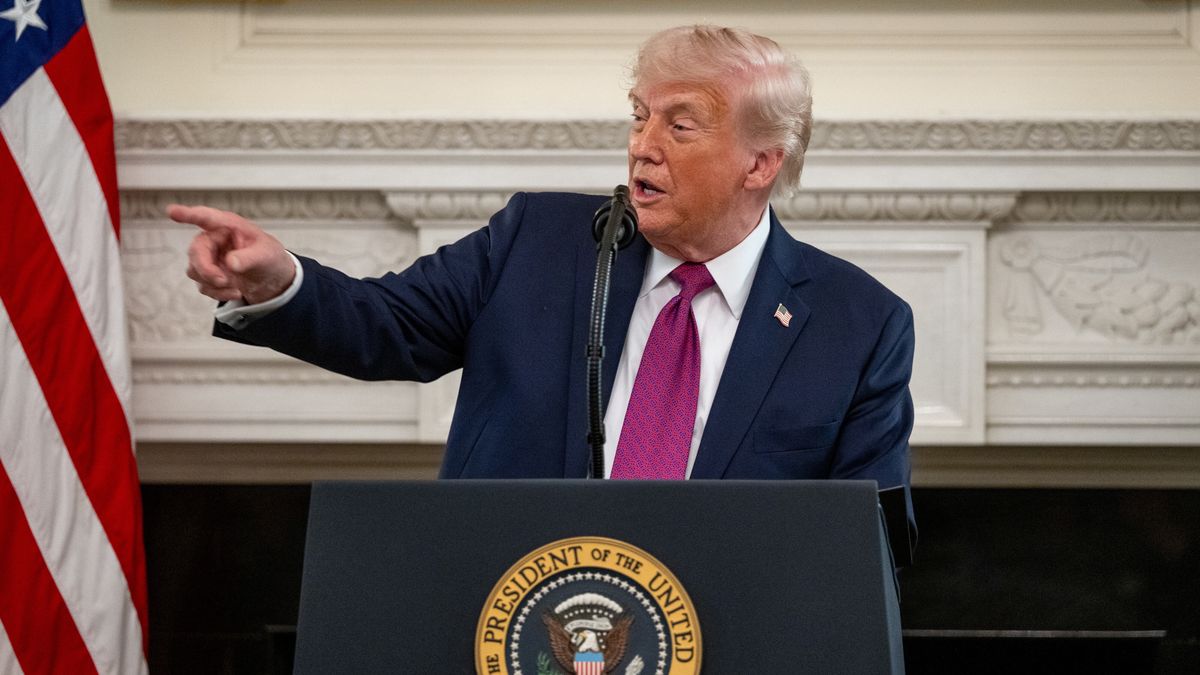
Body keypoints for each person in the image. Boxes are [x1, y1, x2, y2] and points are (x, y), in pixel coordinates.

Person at [172, 25, 915, 531]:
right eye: (638, 117)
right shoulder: (539, 242)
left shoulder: (858, 324)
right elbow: (385, 324)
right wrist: (277, 282)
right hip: (508, 621)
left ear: (761, 163)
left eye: (679, 126)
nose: (641, 148)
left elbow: (863, 540)